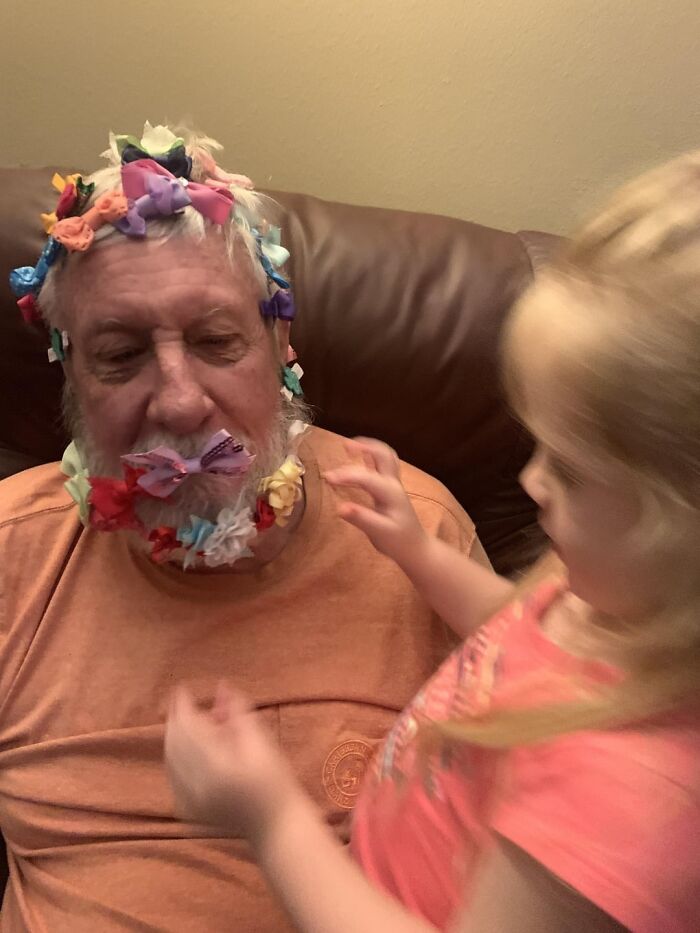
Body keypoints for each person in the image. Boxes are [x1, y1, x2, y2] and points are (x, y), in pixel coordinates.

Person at [164, 149, 700, 933]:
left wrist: (272, 818)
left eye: (575, 472)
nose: (533, 483)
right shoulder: (621, 596)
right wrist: (419, 551)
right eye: (536, 444)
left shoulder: (628, 801)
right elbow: (523, 634)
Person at [0, 122, 490, 931]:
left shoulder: (417, 537)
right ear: (71, 377)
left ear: (279, 339)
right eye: (120, 355)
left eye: (217, 341)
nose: (182, 401)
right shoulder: (15, 553)